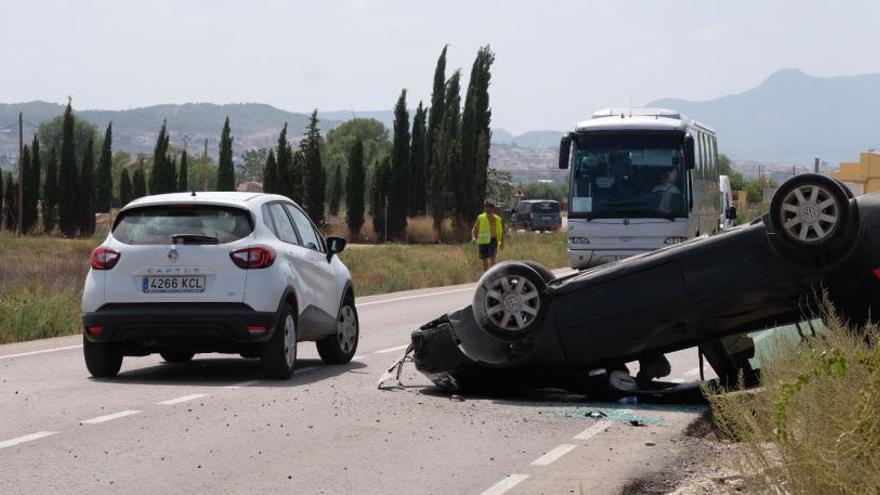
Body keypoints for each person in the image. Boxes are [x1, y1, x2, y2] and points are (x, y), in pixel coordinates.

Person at [472, 199, 504, 272]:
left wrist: (501, 242)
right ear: (485, 207)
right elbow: (474, 229)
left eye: (491, 207)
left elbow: (500, 232)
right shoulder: (480, 217)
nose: (489, 208)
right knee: (485, 260)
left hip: (493, 240)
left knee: (492, 258)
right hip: (483, 241)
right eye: (487, 206)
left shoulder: (497, 219)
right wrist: (473, 237)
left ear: (493, 208)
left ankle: (493, 274)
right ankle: (486, 275)